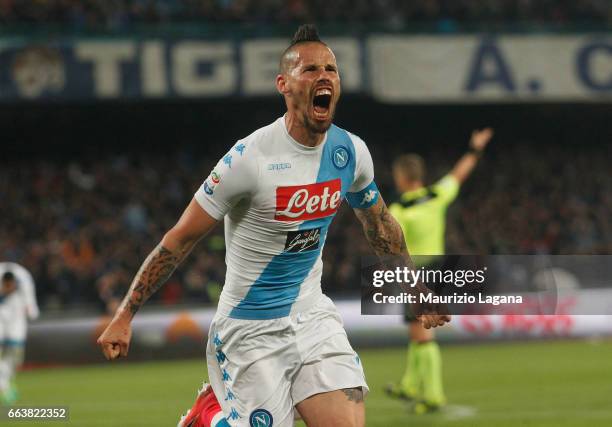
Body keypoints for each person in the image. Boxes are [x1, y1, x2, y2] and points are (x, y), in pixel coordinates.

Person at [97, 24, 450, 427]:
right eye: (310, 69)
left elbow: (381, 226)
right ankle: (210, 415)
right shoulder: (249, 158)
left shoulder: (350, 152)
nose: (324, 77)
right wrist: (125, 314)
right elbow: (179, 240)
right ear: (283, 83)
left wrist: (415, 288)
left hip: (312, 314)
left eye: (331, 69)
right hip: (250, 329)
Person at [384, 128, 494, 413]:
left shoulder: (400, 208)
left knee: (423, 337)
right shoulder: (436, 195)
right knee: (416, 331)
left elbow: (395, 248)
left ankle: (433, 395)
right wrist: (474, 149)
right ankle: (410, 385)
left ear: (401, 177)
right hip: (437, 269)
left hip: (416, 274)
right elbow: (459, 174)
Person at [0, 262, 39, 404]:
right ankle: (3, 385)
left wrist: (31, 310)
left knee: (16, 356)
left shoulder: (23, 279)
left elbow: (31, 308)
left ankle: (4, 382)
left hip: (16, 319)